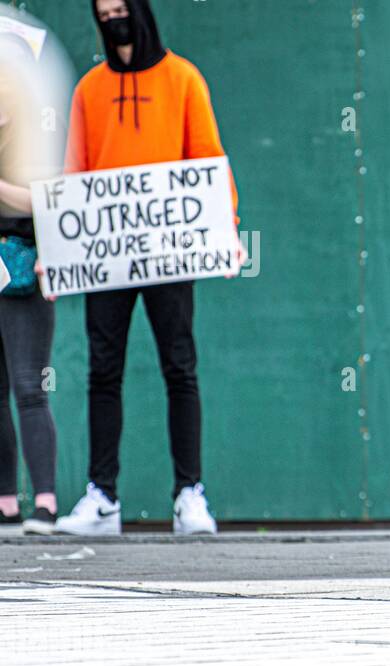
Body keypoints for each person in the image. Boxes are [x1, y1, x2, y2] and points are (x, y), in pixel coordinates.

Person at [53, 0, 239, 536]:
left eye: (120, 7)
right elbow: (76, 172)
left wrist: (225, 227)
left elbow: (207, 157)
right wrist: (57, 251)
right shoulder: (89, 88)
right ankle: (103, 497)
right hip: (106, 254)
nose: (113, 18)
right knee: (102, 372)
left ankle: (189, 495)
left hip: (170, 248)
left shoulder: (182, 78)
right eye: (103, 10)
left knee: (179, 367)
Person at [0, 33, 59, 534]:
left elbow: (52, 201)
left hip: (27, 271)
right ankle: (5, 503)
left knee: (29, 387)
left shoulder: (41, 136)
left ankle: (45, 503)